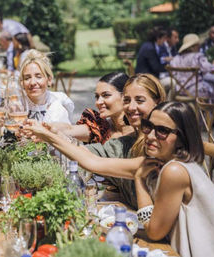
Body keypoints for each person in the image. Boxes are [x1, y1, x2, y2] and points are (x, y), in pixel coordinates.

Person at [23, 73, 166, 209]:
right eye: (127, 101)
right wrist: (50, 132)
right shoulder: (123, 142)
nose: (131, 107)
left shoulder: (163, 144)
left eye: (140, 100)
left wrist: (49, 136)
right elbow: (82, 151)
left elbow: (93, 162)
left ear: (157, 102)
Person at [134, 101, 214, 256]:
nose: (150, 136)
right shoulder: (175, 163)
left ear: (182, 137)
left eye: (162, 131)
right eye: (148, 126)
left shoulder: (174, 171)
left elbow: (154, 232)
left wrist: (139, 180)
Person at [52, 72, 134, 144]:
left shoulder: (141, 129)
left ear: (125, 96)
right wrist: (47, 128)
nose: (98, 102)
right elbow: (70, 129)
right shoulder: (101, 128)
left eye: (106, 95)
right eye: (97, 97)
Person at [19, 49, 74, 124]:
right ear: (22, 82)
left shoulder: (59, 105)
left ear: (49, 80)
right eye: (27, 78)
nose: (33, 82)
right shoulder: (18, 106)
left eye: (38, 77)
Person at [170, 33, 214, 102]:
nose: (199, 46)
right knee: (213, 86)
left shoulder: (175, 58)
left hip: (179, 91)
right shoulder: (197, 57)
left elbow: (173, 74)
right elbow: (209, 69)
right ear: (192, 47)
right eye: (198, 44)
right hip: (196, 91)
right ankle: (210, 111)